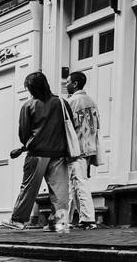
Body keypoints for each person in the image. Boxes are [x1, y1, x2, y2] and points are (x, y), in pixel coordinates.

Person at [7, 71, 74, 234]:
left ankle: (18, 221)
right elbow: (70, 125)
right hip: (59, 153)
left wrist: (29, 143)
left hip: (37, 153)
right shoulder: (62, 103)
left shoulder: (29, 106)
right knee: (60, 191)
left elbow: (23, 134)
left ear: (31, 89)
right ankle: (60, 223)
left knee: (29, 188)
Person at [65, 72, 100, 228]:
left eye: (68, 82)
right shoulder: (91, 101)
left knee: (79, 183)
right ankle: (67, 219)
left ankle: (87, 219)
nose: (66, 85)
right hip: (89, 147)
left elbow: (66, 127)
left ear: (75, 84)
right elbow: (96, 125)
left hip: (75, 148)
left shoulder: (71, 102)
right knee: (75, 184)